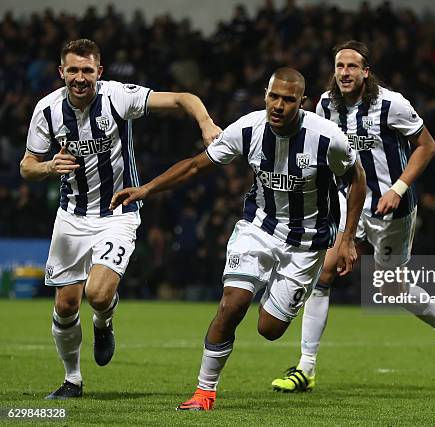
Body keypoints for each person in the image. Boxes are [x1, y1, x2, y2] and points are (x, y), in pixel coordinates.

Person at [110, 67, 366, 411]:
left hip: (307, 243)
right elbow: (195, 165)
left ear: (302, 103)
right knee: (232, 303)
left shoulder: (327, 137)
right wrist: (146, 189)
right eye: (273, 96)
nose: (278, 105)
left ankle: (279, 293)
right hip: (258, 229)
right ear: (265, 94)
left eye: (288, 100)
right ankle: (204, 392)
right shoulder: (248, 128)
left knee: (270, 329)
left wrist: (348, 238)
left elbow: (357, 180)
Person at [20, 38, 221, 400]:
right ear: (60, 72)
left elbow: (183, 99)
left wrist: (206, 125)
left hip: (117, 212)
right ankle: (73, 381)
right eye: (73, 70)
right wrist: (49, 166)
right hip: (71, 216)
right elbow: (27, 166)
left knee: (97, 294)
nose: (80, 78)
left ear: (100, 71)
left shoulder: (117, 97)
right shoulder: (46, 110)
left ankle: (104, 322)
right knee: (65, 304)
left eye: (87, 70)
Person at [272, 40, 435, 393]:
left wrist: (399, 189)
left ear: (366, 72)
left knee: (390, 287)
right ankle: (306, 368)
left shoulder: (392, 104)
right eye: (339, 66)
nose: (344, 72)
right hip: (351, 201)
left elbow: (427, 145)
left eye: (352, 66)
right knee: (323, 272)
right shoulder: (326, 105)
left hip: (394, 209)